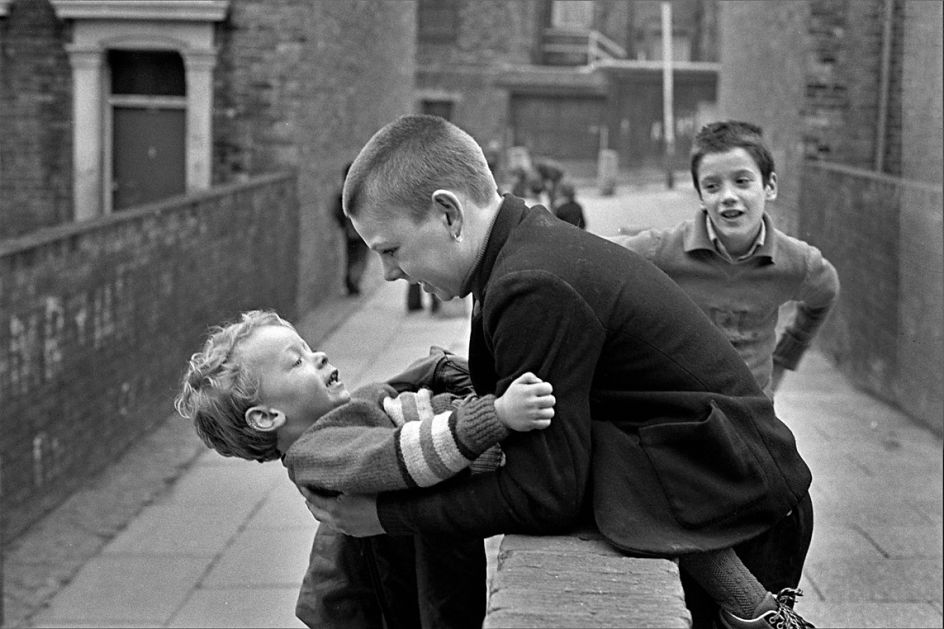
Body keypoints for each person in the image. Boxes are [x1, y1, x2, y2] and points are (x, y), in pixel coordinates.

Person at [307, 114, 816, 629]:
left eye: (390, 250)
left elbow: (544, 493)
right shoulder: (522, 250)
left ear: (448, 214)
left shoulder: (531, 284)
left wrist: (384, 517)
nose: (391, 273)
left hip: (738, 512)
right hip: (716, 492)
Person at [174, 309, 555, 628]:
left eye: (308, 347)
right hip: (413, 591)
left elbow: (393, 390)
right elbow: (406, 455)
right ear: (268, 417)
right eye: (297, 361)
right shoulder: (320, 453)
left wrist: (443, 370)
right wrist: (497, 415)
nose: (319, 356)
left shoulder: (339, 422)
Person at [608, 121, 840, 399]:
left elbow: (826, 292)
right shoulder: (661, 250)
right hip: (683, 414)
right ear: (702, 197)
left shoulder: (798, 262)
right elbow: (590, 260)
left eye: (742, 181)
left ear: (770, 186)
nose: (728, 196)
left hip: (752, 414)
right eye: (712, 186)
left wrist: (784, 359)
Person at [334, 162, 370, 296]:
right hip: (360, 232)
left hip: (349, 232)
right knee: (360, 257)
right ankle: (354, 282)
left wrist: (343, 225)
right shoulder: (362, 194)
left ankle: (350, 280)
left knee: (351, 257)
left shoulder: (342, 194)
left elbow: (336, 211)